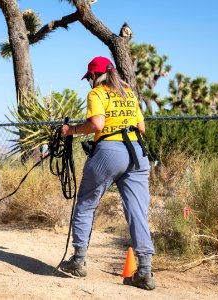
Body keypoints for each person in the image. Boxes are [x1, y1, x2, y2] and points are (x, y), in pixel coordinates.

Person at [59, 56, 156, 290]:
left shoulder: (97, 94)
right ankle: (144, 271)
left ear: (94, 76)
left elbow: (97, 125)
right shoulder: (129, 93)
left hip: (110, 151)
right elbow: (141, 127)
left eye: (89, 78)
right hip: (138, 153)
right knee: (137, 212)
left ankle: (78, 261)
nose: (88, 82)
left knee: (86, 202)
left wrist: (69, 130)